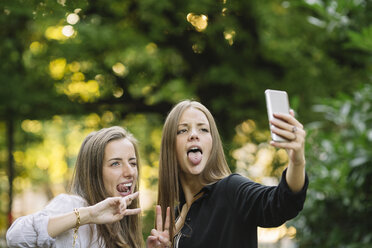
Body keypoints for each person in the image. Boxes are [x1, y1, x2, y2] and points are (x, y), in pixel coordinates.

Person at [155, 99, 308, 247]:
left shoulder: (230, 190)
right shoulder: (173, 218)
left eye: (203, 129)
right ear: (170, 147)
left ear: (212, 143)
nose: (194, 135)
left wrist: (297, 162)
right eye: (182, 130)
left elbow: (280, 203)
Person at [6, 126, 143, 248]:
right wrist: (89, 214)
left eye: (132, 163)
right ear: (93, 172)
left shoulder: (123, 220)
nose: (130, 172)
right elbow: (16, 237)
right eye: (115, 163)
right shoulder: (72, 204)